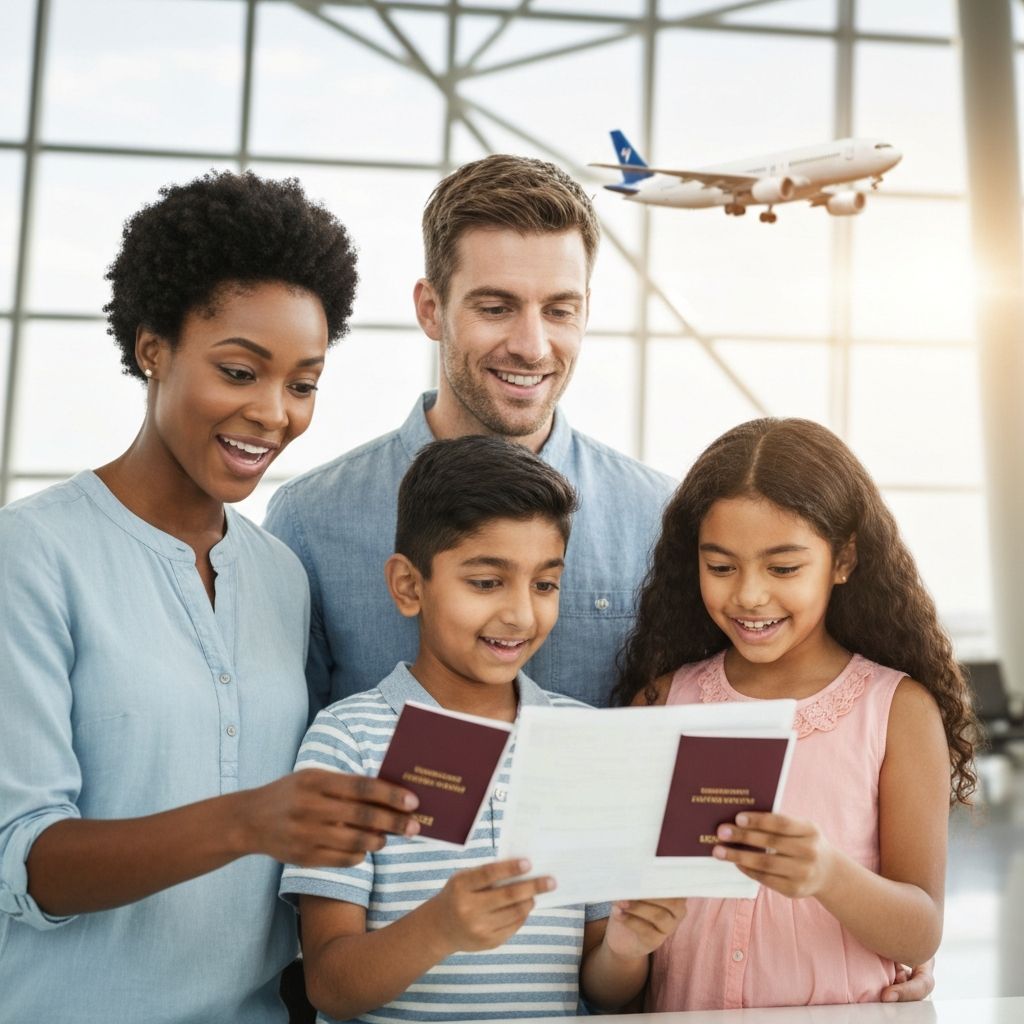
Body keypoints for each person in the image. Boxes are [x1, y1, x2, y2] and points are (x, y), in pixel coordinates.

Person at [0, 171, 420, 1024]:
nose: (272, 414)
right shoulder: (33, 554)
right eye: (239, 370)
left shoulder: (281, 575)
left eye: (302, 385)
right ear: (153, 346)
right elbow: (28, 862)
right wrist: (248, 822)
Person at [280, 436, 687, 1022]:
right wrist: (439, 927)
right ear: (409, 586)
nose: (521, 614)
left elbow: (604, 989)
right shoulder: (347, 740)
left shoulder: (586, 744)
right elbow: (329, 985)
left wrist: (626, 948)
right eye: (486, 582)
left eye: (544, 584)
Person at [263, 154, 675, 712]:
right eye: (497, 307)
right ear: (431, 310)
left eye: (558, 310)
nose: (532, 346)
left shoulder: (659, 517)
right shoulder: (310, 522)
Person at [612, 417, 979, 1011]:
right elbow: (613, 974)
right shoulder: (659, 706)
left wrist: (828, 875)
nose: (750, 596)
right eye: (721, 567)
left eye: (783, 568)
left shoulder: (898, 712)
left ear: (843, 560)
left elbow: (921, 929)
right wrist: (626, 948)